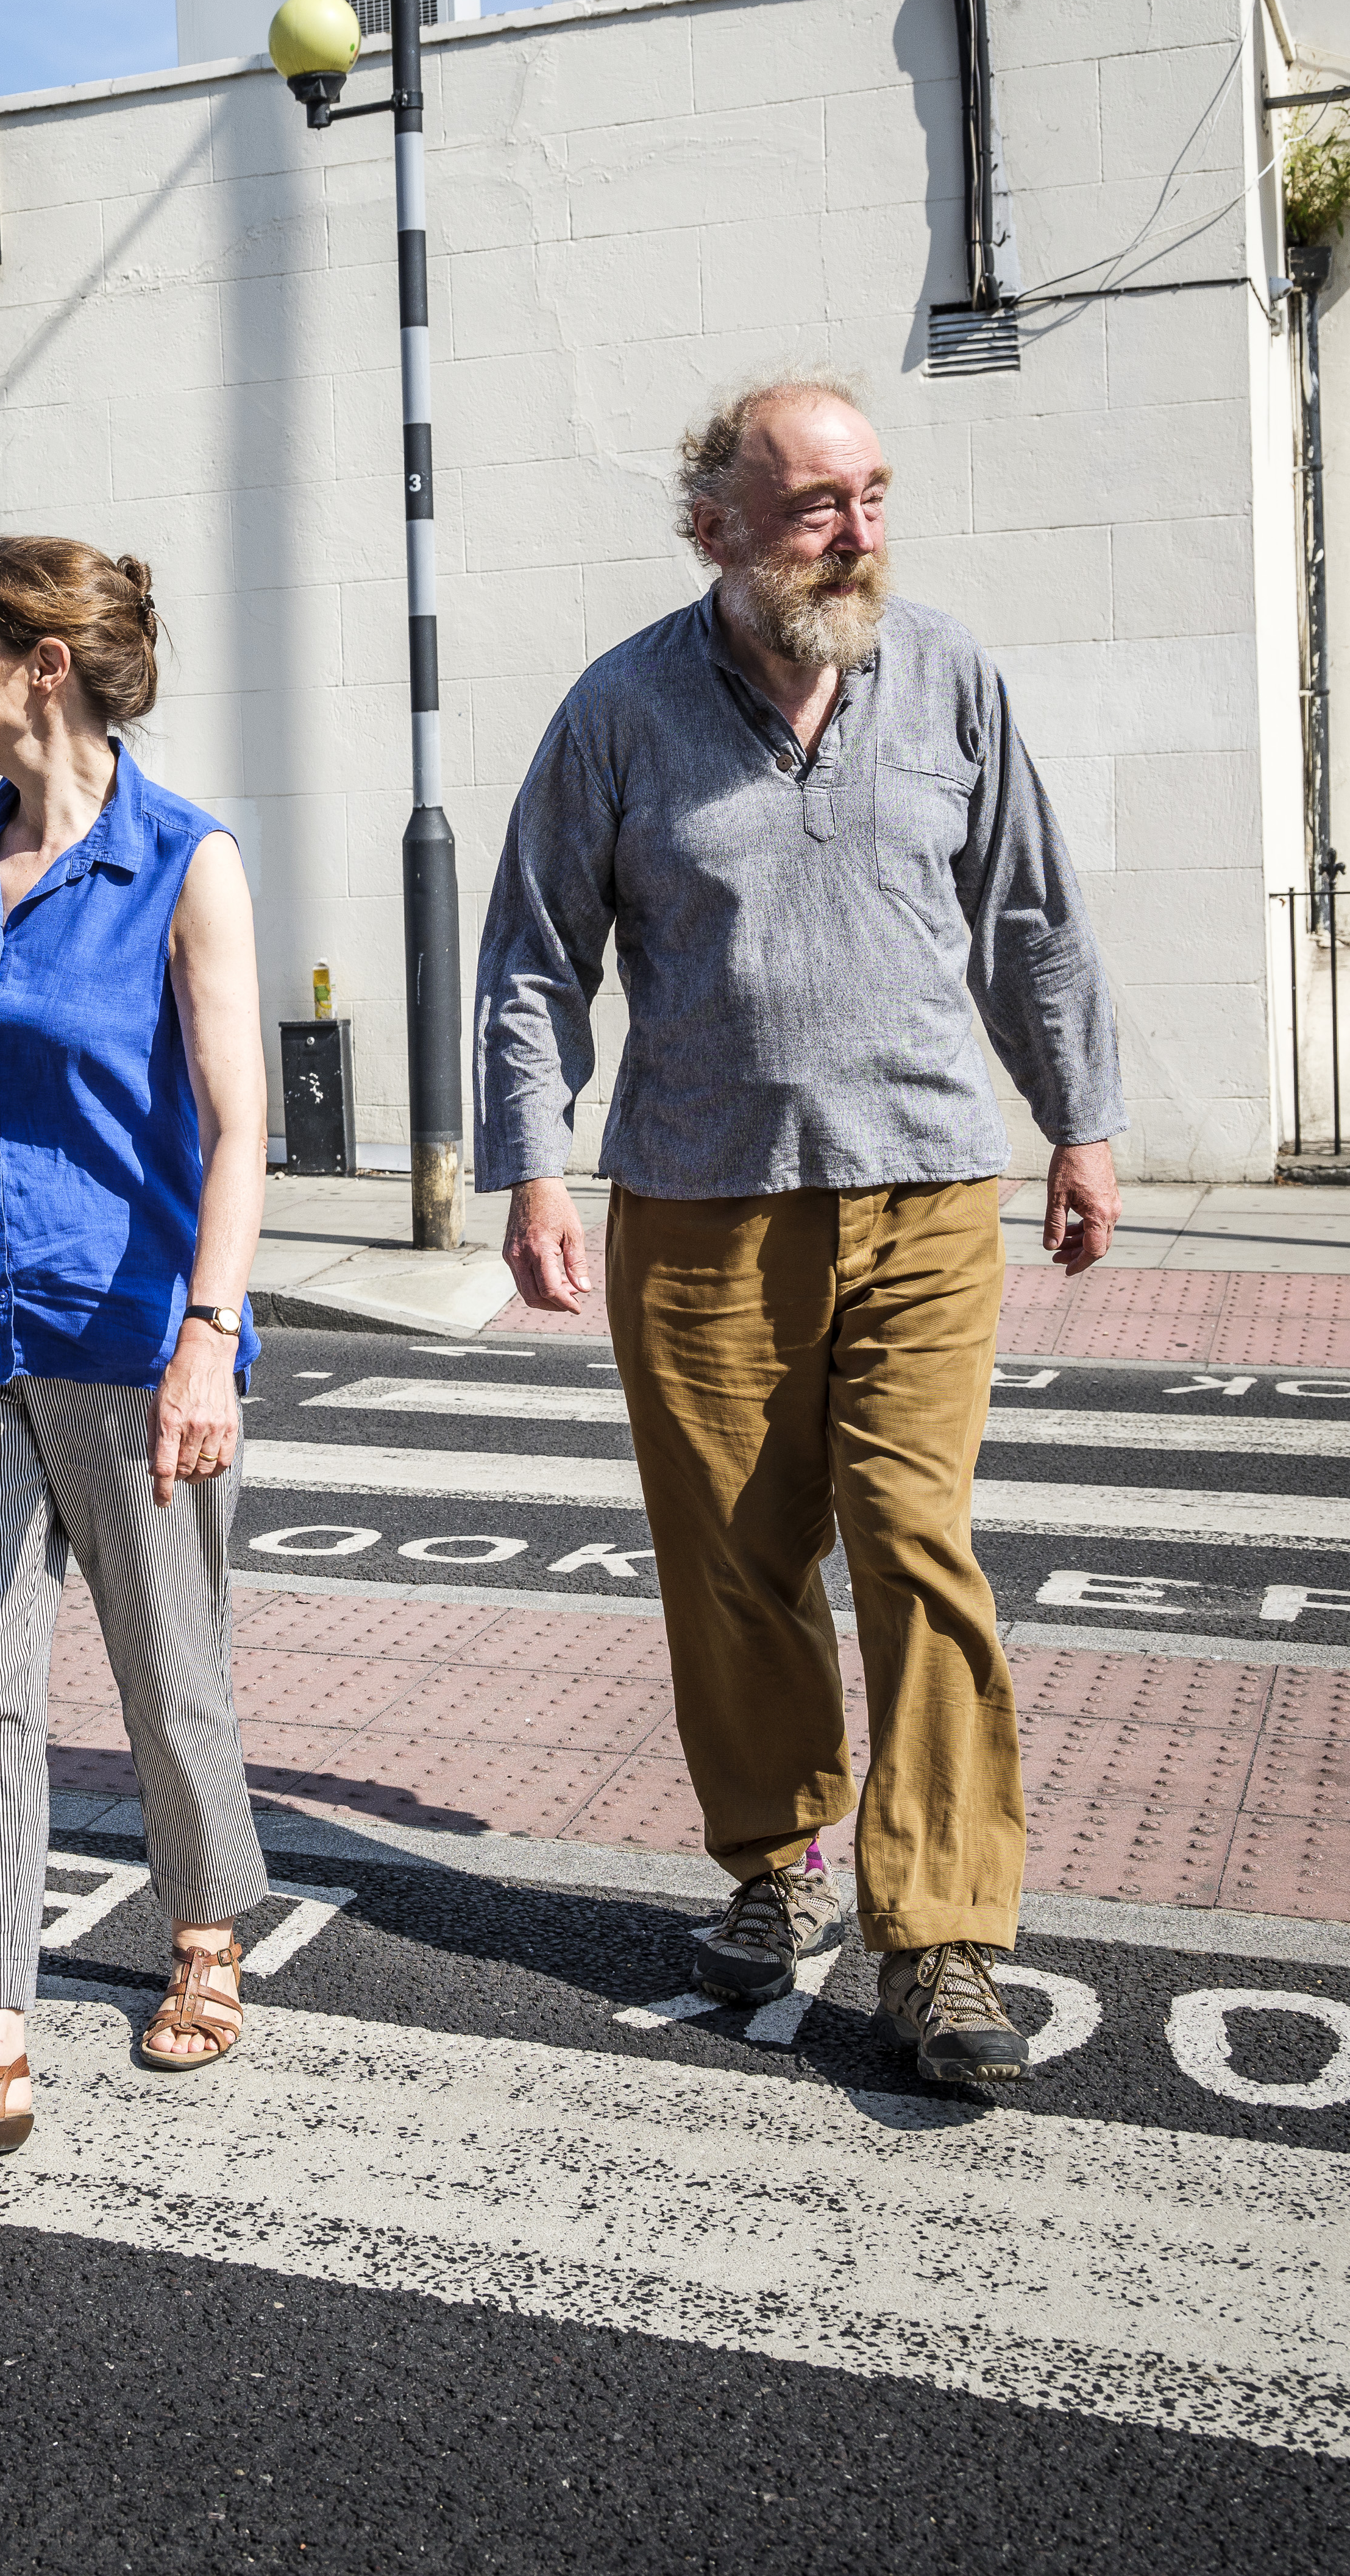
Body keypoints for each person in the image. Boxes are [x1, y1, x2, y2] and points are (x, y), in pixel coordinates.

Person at [474, 372, 1124, 2084]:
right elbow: (536, 957)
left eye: (876, 495)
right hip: (697, 1208)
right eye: (819, 503)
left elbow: (1032, 918)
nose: (858, 533)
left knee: (919, 1545)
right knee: (736, 1567)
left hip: (920, 1188)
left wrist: (1082, 1121)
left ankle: (948, 1935)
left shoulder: (952, 677)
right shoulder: (622, 707)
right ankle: (781, 1860)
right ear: (718, 526)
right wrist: (533, 1167)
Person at [0, 531, 274, 2164]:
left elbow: (239, 1129)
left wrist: (210, 1337)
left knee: (171, 1668)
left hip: (123, 1331)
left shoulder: (184, 860)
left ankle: (208, 1926)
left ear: (44, 668)